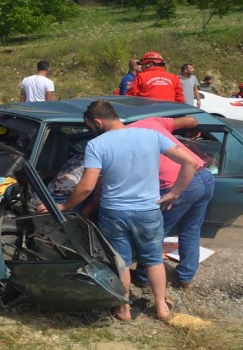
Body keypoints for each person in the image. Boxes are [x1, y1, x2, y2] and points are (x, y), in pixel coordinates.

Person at [38, 100, 197, 321]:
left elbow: (86, 187)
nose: (90, 131)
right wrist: (175, 192)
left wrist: (63, 206)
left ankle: (123, 310)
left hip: (114, 212)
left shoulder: (97, 145)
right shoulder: (151, 135)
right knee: (153, 259)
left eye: (90, 127)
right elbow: (190, 162)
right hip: (148, 211)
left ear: (97, 121)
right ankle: (161, 307)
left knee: (120, 261)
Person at [129, 117, 215, 289]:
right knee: (191, 229)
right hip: (205, 176)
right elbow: (192, 120)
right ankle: (186, 277)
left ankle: (144, 277)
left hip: (179, 184)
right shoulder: (153, 121)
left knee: (156, 233)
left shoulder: (122, 135)